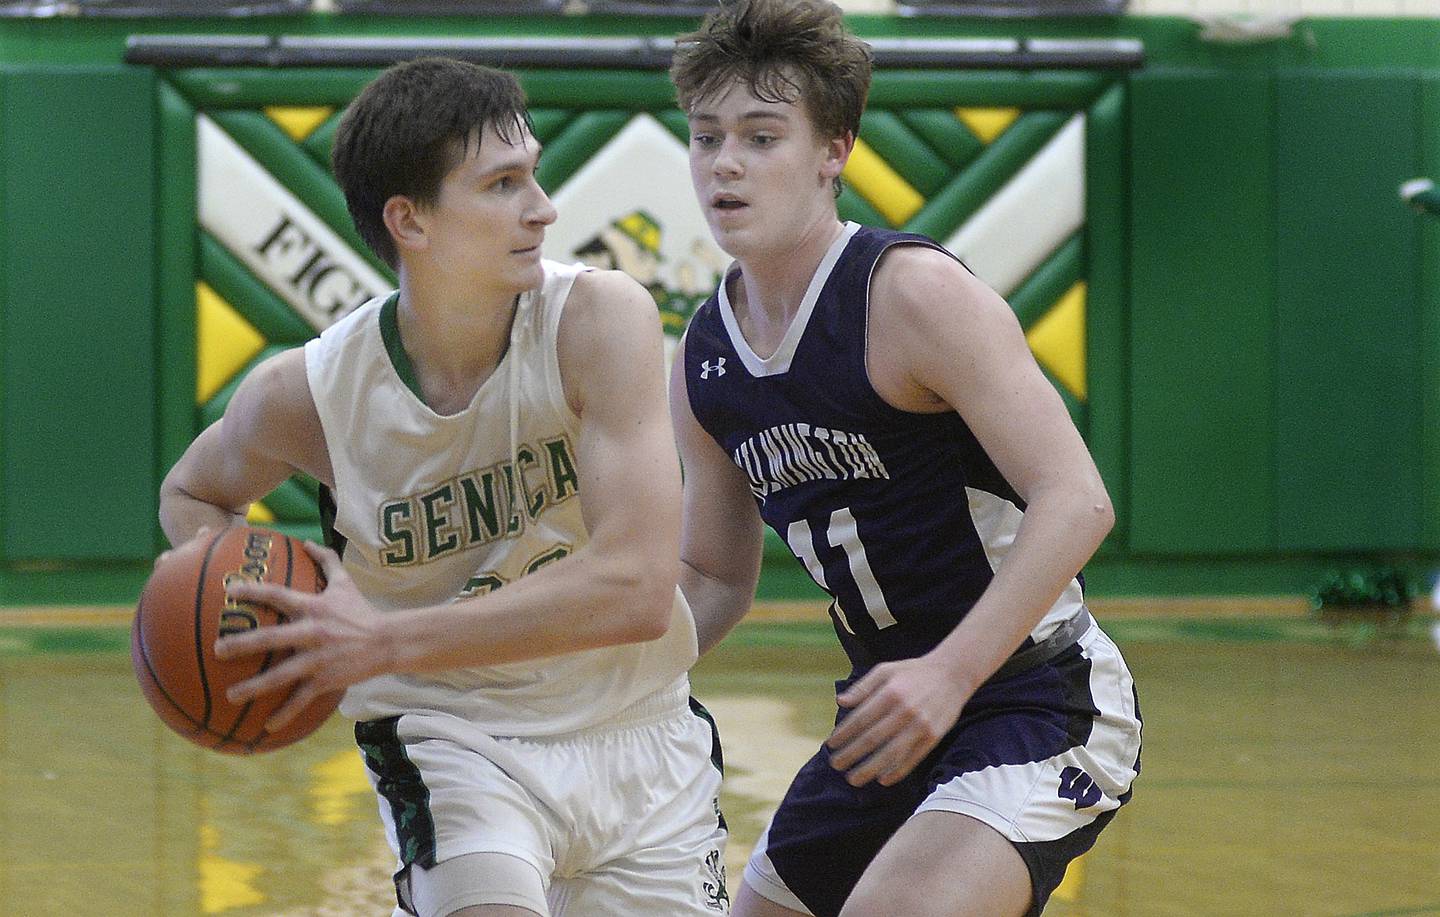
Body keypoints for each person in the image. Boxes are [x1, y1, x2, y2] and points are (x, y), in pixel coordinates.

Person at [158, 58, 728, 917]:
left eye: (533, 174)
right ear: (410, 221)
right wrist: (265, 603)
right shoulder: (308, 394)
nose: (543, 207)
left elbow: (639, 588)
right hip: (448, 736)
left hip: (638, 731)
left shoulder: (598, 322)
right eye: (503, 184)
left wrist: (384, 638)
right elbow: (193, 492)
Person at [666, 3, 1142, 916]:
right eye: (706, 137)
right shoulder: (701, 357)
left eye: (762, 137)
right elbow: (713, 576)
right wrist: (596, 677)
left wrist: (952, 671)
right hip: (887, 722)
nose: (724, 163)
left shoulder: (912, 294)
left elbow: (1077, 501)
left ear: (833, 151)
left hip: (1039, 700)